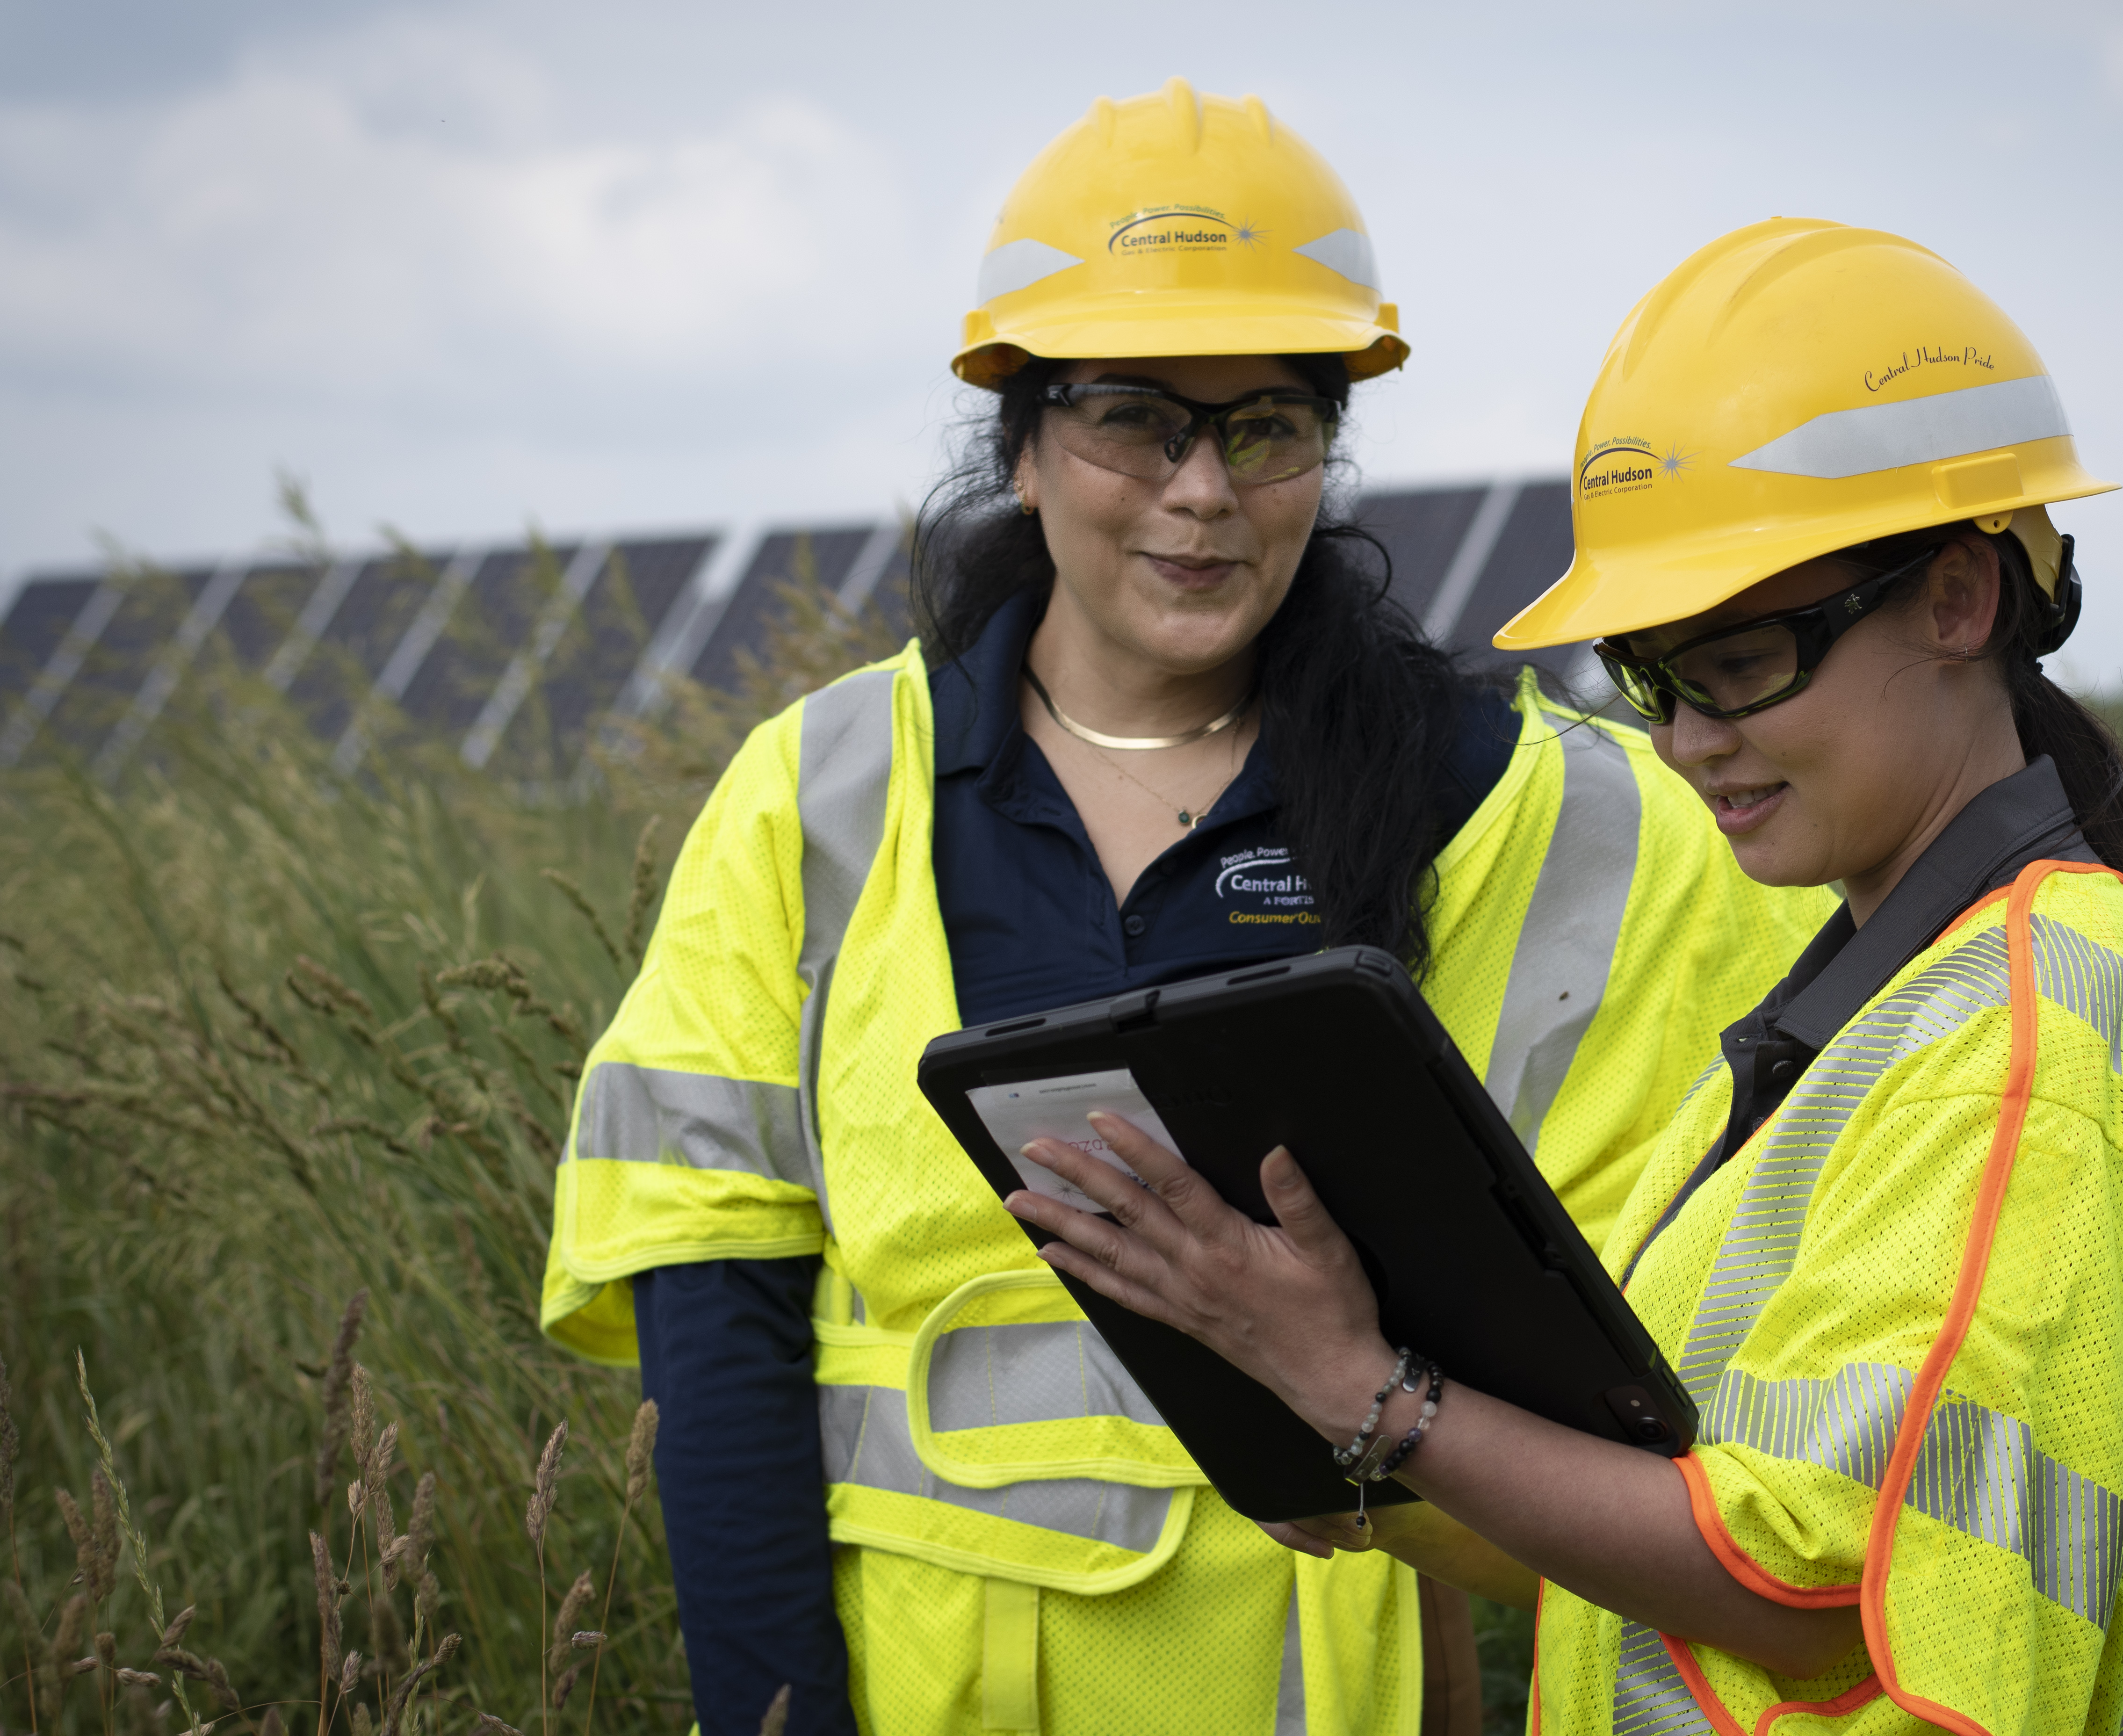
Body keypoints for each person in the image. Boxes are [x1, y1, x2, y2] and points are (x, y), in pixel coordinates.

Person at [540, 89, 1829, 1736]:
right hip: (928, 1694)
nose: (1205, 492)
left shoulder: (1532, 804)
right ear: (1020, 439)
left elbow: (1745, 1303)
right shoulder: (826, 795)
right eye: (1138, 423)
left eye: (1269, 427)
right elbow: (714, 1314)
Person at [1004, 218, 2123, 1735]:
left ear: (1961, 602)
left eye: (1745, 661)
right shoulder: (1859, 1017)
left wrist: (1375, 1393)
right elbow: (1681, 1508)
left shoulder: (2033, 1035)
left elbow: (1805, 1581)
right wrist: (1343, 1429)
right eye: (1655, 677)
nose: (1692, 738)